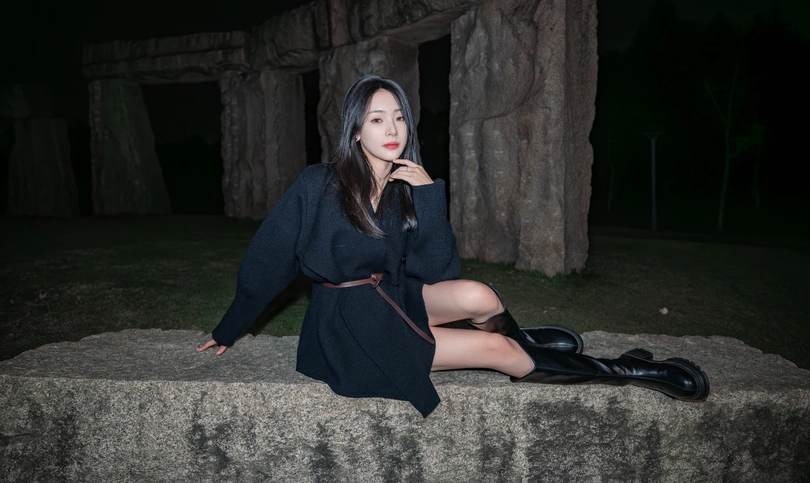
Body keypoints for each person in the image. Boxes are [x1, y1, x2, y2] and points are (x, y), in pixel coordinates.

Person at [197, 74, 709, 417]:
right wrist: (230, 327)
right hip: (349, 328)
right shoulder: (319, 183)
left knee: (480, 295)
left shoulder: (406, 186)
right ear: (355, 131)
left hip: (391, 297)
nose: (392, 129)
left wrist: (428, 198)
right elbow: (269, 259)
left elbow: (438, 271)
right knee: (496, 349)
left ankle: (530, 345)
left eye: (399, 117)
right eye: (377, 119)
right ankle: (634, 370)